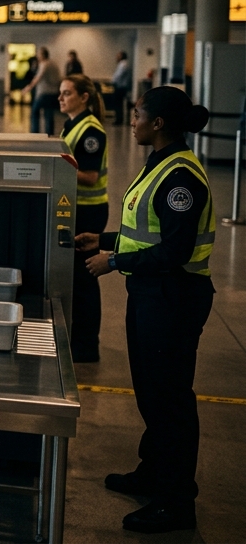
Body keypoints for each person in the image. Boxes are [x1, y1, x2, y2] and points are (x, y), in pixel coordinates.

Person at [77, 87, 215, 535]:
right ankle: (152, 471)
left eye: (137, 114)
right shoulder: (160, 163)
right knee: (151, 393)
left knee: (171, 400)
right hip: (152, 294)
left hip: (174, 297)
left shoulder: (181, 178)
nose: (131, 120)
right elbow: (148, 234)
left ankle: (176, 502)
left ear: (157, 124)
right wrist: (107, 240)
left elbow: (174, 250)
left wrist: (114, 262)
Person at [60, 74, 108, 363]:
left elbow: (89, 176)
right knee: (77, 278)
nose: (61, 98)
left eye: (67, 93)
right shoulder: (74, 124)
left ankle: (87, 345)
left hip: (89, 211)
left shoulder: (91, 131)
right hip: (77, 208)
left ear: (84, 97)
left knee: (84, 278)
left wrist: (55, 166)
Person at [23, 47, 61, 135]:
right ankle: (49, 134)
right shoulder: (54, 64)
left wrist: (28, 88)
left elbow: (38, 77)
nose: (37, 56)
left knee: (35, 111)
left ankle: (35, 132)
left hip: (44, 93)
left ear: (43, 55)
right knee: (49, 114)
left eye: (39, 54)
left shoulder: (44, 64)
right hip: (53, 92)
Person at [112, 51, 133, 125]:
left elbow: (119, 75)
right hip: (121, 86)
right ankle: (119, 118)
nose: (116, 57)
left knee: (118, 104)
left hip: (120, 86)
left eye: (118, 55)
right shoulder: (122, 64)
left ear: (122, 56)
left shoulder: (123, 64)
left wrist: (113, 81)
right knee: (119, 104)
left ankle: (119, 119)